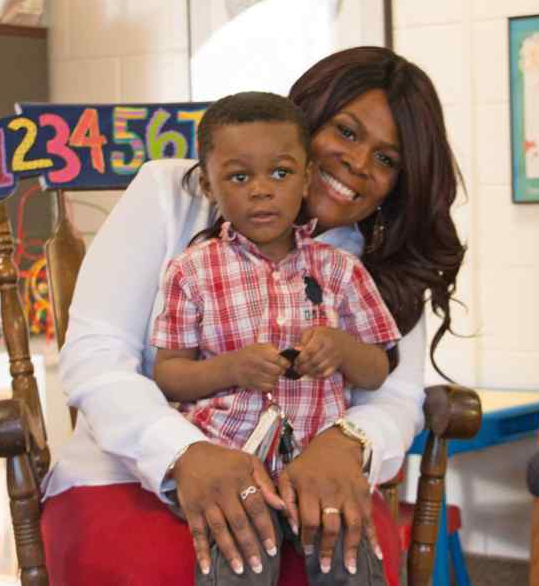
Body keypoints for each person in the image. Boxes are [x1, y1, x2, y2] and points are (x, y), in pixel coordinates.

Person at [41, 47, 466, 586]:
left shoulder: (374, 263)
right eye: (347, 132)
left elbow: (394, 395)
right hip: (132, 472)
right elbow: (96, 357)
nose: (359, 165)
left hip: (310, 487)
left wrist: (347, 442)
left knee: (354, 561)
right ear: (304, 120)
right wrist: (182, 453)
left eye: (387, 160)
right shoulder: (173, 195)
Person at [151, 90, 401, 584]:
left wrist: (341, 348)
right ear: (208, 184)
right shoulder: (191, 271)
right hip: (232, 468)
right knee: (239, 563)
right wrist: (229, 368)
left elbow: (378, 368)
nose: (261, 191)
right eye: (239, 177)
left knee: (351, 559)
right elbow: (169, 374)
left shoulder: (340, 270)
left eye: (281, 173)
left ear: (306, 178)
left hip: (317, 466)